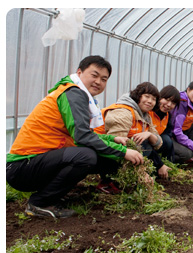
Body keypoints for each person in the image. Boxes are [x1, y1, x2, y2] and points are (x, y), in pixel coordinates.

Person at [6, 55, 143, 218]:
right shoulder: (73, 93)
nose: (98, 82)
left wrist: (113, 139)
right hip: (23, 166)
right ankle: (39, 203)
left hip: (37, 162)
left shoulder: (79, 94)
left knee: (103, 157)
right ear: (79, 72)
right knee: (86, 156)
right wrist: (123, 152)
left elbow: (84, 133)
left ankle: (54, 193)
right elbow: (82, 137)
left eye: (104, 79)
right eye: (94, 75)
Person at [94, 81, 171, 179]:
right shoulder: (124, 112)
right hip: (98, 150)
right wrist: (140, 172)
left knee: (144, 143)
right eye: (146, 96)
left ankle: (156, 167)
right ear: (138, 96)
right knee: (141, 145)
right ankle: (108, 180)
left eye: (153, 99)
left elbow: (158, 143)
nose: (150, 101)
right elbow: (117, 146)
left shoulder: (146, 116)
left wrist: (149, 134)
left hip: (117, 150)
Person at [150, 85, 181, 163]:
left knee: (168, 140)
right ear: (160, 98)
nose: (169, 105)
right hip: (147, 143)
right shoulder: (149, 112)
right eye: (167, 99)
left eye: (173, 103)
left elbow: (168, 132)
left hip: (158, 144)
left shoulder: (167, 115)